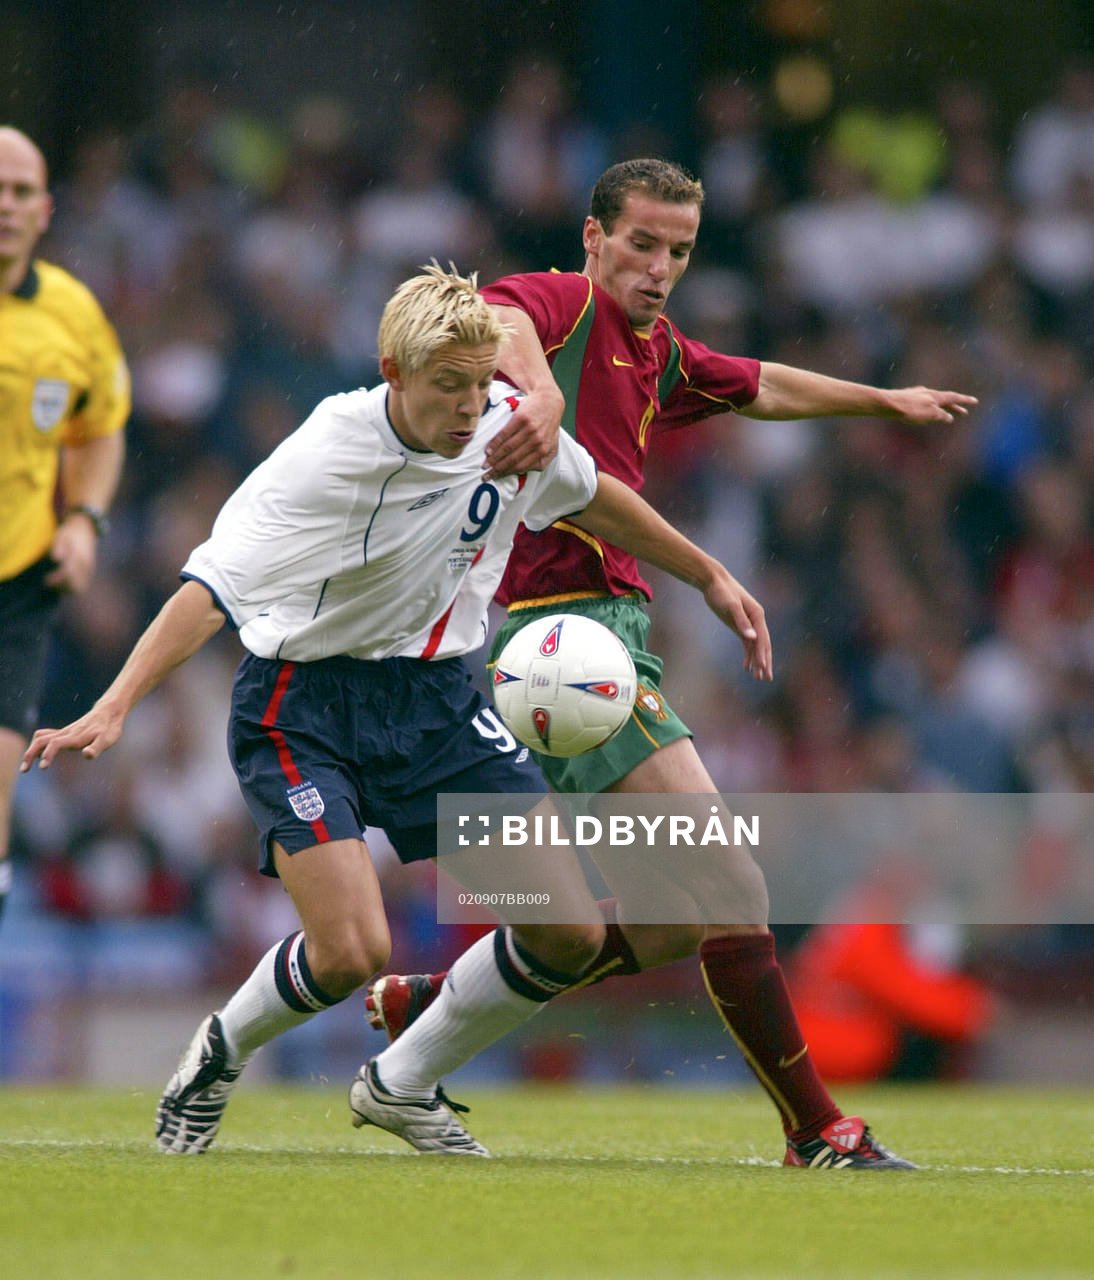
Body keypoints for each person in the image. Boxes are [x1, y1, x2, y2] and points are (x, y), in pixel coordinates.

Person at [22, 263, 772, 1156]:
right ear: (393, 373)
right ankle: (219, 1053)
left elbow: (592, 494)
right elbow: (207, 590)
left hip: (440, 707)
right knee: (350, 953)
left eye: (479, 383)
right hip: (303, 707)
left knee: (568, 933)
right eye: (446, 386)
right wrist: (114, 707)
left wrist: (711, 575)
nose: (467, 406)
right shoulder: (324, 454)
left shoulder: (507, 427)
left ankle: (402, 1083)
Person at [365, 158, 979, 1169]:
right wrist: (534, 397)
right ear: (594, 238)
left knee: (659, 923)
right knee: (732, 878)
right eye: (641, 244)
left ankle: (426, 1007)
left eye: (678, 251)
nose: (657, 268)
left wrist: (884, 399)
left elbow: (763, 383)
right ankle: (816, 1126)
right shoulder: (562, 309)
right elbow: (496, 313)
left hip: (604, 628)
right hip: (556, 635)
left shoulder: (656, 352)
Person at [0, 127, 128, 926]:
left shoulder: (72, 314)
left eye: (19, 193)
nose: (5, 207)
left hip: (15, 580)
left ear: (44, 210)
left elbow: (99, 426)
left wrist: (83, 519)